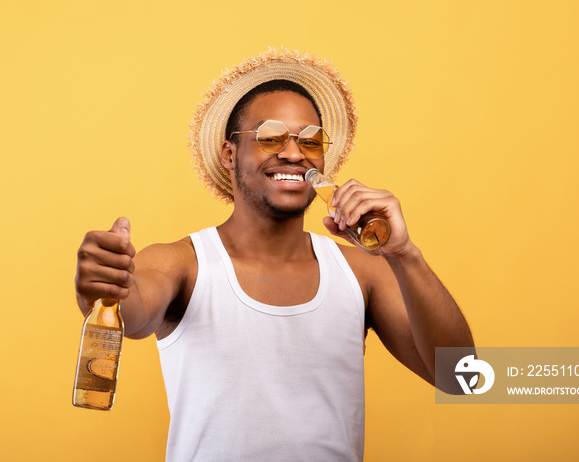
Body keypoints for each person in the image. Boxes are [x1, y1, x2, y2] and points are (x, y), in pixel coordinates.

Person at [74, 48, 474, 461]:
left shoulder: (363, 272)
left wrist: (404, 254)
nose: (293, 153)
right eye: (270, 137)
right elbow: (133, 313)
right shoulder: (184, 263)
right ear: (230, 154)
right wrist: (105, 287)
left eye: (310, 140)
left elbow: (463, 379)